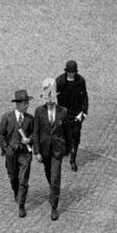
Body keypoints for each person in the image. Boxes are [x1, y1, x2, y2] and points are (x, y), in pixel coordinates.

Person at [31, 81, 67, 220]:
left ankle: (54, 206)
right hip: (45, 149)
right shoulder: (39, 112)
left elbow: (67, 132)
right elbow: (36, 132)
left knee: (55, 177)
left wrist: (67, 150)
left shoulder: (62, 111)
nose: (50, 102)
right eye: (47, 99)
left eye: (52, 99)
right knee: (49, 174)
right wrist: (37, 152)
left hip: (57, 150)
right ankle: (53, 190)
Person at [0, 88, 34, 217]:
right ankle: (16, 192)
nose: (27, 105)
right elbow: (0, 134)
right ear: (18, 104)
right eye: (25, 103)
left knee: (23, 179)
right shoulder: (7, 117)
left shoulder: (30, 119)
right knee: (13, 177)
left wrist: (29, 139)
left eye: (27, 103)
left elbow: (35, 134)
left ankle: (21, 205)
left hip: (25, 154)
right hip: (11, 153)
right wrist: (6, 149)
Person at [54, 60, 88, 171]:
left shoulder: (80, 81)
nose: (71, 74)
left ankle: (73, 160)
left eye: (73, 72)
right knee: (63, 135)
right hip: (64, 114)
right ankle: (65, 150)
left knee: (76, 136)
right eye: (69, 72)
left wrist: (84, 112)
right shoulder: (59, 81)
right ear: (66, 71)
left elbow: (84, 97)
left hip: (77, 114)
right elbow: (52, 96)